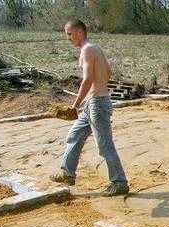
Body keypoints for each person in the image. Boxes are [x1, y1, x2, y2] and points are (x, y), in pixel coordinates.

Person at [50, 19, 129, 196]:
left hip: (97, 104)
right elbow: (108, 72)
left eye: (69, 34)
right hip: (94, 102)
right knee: (75, 135)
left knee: (105, 145)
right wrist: (96, 89)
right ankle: (67, 173)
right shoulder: (95, 48)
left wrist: (75, 105)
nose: (68, 38)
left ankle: (119, 182)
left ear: (79, 32)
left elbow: (87, 79)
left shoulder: (87, 50)